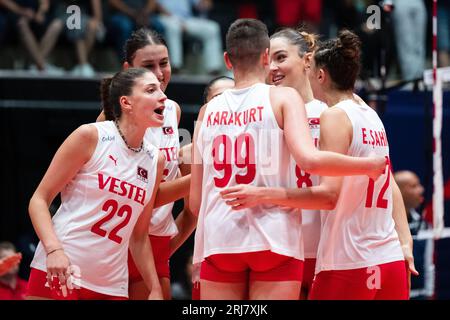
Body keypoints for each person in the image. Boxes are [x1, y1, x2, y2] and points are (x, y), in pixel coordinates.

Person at [190, 19, 387, 300]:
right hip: (274, 237)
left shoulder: (206, 111)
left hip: (220, 239)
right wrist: (366, 165)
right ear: (266, 57)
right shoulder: (284, 98)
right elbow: (309, 160)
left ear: (227, 59)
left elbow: (196, 203)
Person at [26, 68, 166, 300]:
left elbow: (139, 236)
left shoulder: (155, 159)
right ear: (126, 103)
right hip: (63, 267)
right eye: (151, 90)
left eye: (160, 89)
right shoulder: (91, 136)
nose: (162, 95)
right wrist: (54, 250)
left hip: (111, 285)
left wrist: (155, 288)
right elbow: (39, 199)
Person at [98, 28, 194, 300]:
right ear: (128, 69)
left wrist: (166, 248)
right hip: (118, 237)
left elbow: (188, 207)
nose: (159, 73)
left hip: (156, 240)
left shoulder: (172, 110)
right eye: (148, 66)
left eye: (163, 63)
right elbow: (136, 195)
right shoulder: (109, 120)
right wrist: (204, 174)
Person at [267, 27, 326, 300]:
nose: (272, 67)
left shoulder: (331, 115)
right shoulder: (262, 115)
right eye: (267, 60)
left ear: (306, 60)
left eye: (280, 58)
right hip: (277, 248)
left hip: (325, 250)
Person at [155, 0, 223, 74]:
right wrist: (176, 19)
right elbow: (155, 4)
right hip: (165, 17)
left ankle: (213, 68)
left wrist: (204, 3)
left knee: (212, 28)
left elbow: (201, 5)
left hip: (186, 19)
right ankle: (176, 67)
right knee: (174, 27)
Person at [394, 170, 434, 299]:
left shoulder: (424, 224)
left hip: (420, 295)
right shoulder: (383, 225)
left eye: (419, 185)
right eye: (413, 186)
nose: (421, 190)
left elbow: (429, 264)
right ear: (398, 191)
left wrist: (429, 294)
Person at [0, 0, 64, 74]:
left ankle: (36, 66)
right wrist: (21, 11)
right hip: (15, 14)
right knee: (22, 23)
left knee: (57, 24)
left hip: (35, 14)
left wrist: (41, 12)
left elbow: (44, 3)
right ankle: (42, 66)